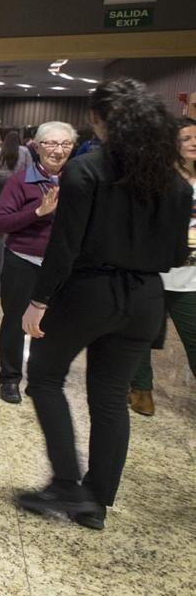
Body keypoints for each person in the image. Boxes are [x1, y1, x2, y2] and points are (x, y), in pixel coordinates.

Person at [18, 79, 191, 531]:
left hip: (89, 291)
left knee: (44, 377)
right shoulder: (175, 183)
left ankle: (64, 482)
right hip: (146, 297)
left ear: (99, 120)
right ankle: (96, 501)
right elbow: (177, 254)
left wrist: (38, 300)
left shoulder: (86, 169)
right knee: (111, 398)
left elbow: (64, 247)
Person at [0, 121, 76, 403]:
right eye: (51, 143)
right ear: (37, 147)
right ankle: (10, 378)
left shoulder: (79, 181)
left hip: (61, 265)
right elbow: (1, 222)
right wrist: (38, 211)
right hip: (23, 260)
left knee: (51, 324)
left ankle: (41, 380)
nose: (58, 150)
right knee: (15, 320)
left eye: (65, 144)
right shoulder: (20, 181)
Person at [129, 117, 196, 415]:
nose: (194, 143)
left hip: (191, 278)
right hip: (152, 273)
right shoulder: (155, 179)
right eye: (186, 138)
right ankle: (141, 390)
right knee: (141, 335)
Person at [0, 129, 26, 197]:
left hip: (1, 177)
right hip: (17, 178)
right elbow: (29, 166)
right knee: (15, 198)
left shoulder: (0, 150)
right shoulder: (24, 150)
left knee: (2, 197)